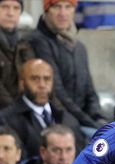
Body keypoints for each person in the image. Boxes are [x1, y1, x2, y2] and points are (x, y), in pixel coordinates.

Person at [26, 0, 106, 131]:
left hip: (81, 120)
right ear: (46, 10)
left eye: (68, 6)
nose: (63, 13)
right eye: (57, 7)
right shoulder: (38, 42)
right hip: (58, 121)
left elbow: (89, 90)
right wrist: (90, 123)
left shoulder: (79, 47)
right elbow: (57, 93)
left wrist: (99, 118)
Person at [0, 58, 83, 159]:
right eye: (35, 79)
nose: (42, 85)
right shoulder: (7, 119)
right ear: (22, 83)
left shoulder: (68, 120)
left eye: (47, 79)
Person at [0, 0, 33, 109]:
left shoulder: (23, 41)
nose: (11, 13)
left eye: (16, 8)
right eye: (4, 7)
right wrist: (16, 113)